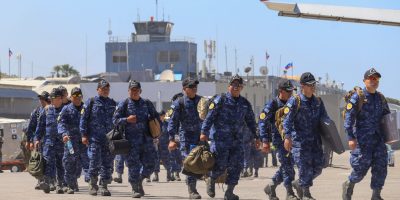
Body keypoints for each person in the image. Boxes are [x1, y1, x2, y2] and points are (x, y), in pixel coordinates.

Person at [201, 74, 259, 200]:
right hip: (220, 139)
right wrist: (204, 132)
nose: (235, 87)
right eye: (233, 84)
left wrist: (256, 136)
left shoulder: (245, 104)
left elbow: (250, 121)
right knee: (220, 164)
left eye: (238, 85)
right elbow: (209, 117)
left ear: (242, 87)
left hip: (237, 140)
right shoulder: (220, 100)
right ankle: (211, 178)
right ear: (229, 86)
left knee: (237, 166)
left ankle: (229, 192)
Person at [342, 68, 390, 200]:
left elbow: (387, 117)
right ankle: (348, 184)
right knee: (360, 170)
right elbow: (349, 118)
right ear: (365, 80)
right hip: (362, 141)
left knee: (381, 168)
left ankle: (376, 195)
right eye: (371, 78)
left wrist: (390, 135)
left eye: (376, 79)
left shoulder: (380, 98)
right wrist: (351, 137)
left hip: (378, 140)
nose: (374, 81)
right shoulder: (358, 97)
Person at [282, 72, 331, 200]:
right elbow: (286, 120)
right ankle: (306, 194)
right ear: (302, 86)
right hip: (300, 142)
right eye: (310, 85)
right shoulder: (295, 101)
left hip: (315, 141)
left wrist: (331, 133)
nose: (313, 87)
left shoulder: (318, 102)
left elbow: (325, 119)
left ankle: (299, 184)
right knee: (304, 168)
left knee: (319, 168)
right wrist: (287, 137)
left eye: (314, 84)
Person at [113, 80, 159, 198]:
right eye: (132, 90)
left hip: (146, 140)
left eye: (136, 90)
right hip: (131, 141)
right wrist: (126, 120)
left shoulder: (147, 103)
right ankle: (135, 188)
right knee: (133, 165)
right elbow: (115, 120)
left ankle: (140, 179)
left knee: (151, 163)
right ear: (128, 91)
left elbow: (156, 118)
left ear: (140, 91)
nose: (134, 92)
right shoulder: (124, 103)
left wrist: (157, 132)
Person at [259, 80, 298, 200]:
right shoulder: (273, 104)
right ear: (281, 91)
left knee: (288, 165)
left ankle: (271, 186)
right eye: (288, 91)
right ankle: (289, 193)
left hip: (292, 140)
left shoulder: (293, 103)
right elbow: (262, 121)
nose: (291, 93)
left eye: (292, 91)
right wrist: (265, 140)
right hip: (279, 141)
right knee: (288, 167)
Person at [167, 77, 203, 199]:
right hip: (186, 137)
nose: (194, 89)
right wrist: (171, 139)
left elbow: (210, 118)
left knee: (204, 162)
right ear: (184, 89)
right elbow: (172, 121)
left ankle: (209, 183)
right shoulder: (179, 103)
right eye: (191, 87)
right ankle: (192, 190)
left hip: (200, 137)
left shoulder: (201, 101)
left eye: (195, 87)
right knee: (190, 163)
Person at [80, 79, 116, 196]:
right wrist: (84, 135)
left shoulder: (112, 103)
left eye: (107, 89)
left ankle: (104, 186)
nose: (105, 91)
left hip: (109, 139)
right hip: (94, 138)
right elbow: (84, 119)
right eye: (103, 89)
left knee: (107, 163)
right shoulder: (91, 102)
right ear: (98, 90)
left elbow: (116, 120)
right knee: (94, 161)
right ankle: (93, 184)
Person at [34, 88, 65, 194]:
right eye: (54, 98)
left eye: (58, 98)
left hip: (62, 142)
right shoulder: (46, 110)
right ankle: (47, 183)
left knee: (61, 163)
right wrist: (37, 139)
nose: (56, 100)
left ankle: (60, 184)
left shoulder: (66, 110)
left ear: (61, 99)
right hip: (49, 142)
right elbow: (40, 126)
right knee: (47, 162)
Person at [58, 87, 87, 194]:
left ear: (81, 97)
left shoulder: (87, 108)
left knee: (80, 165)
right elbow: (61, 123)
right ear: (71, 97)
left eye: (79, 96)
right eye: (74, 96)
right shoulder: (66, 109)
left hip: (84, 141)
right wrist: (64, 134)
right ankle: (70, 185)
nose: (77, 98)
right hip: (70, 141)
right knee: (69, 162)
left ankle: (74, 180)